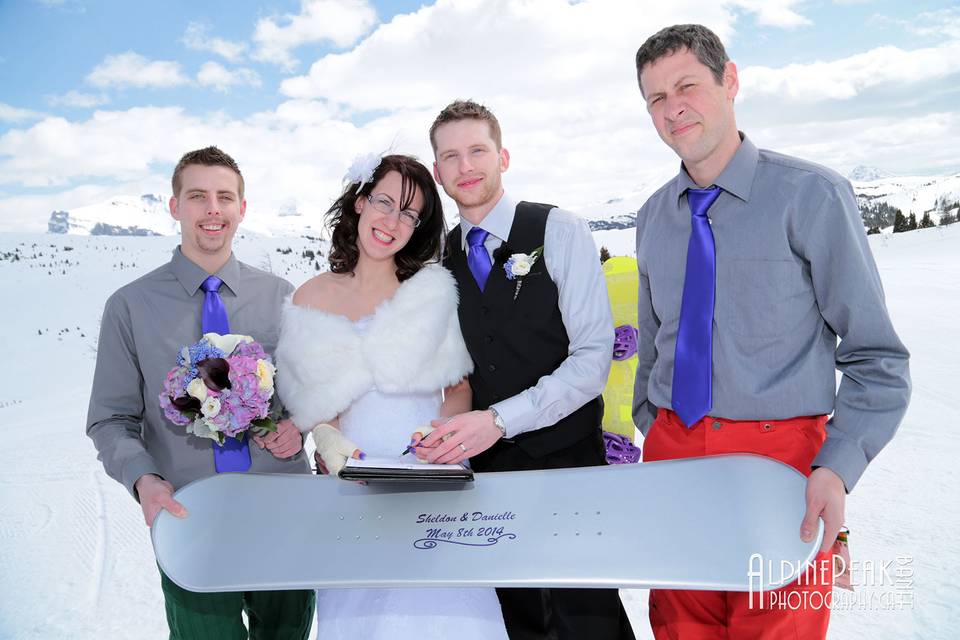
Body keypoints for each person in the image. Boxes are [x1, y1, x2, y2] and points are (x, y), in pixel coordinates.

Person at [632, 24, 911, 639]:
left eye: (687, 86)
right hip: (675, 460)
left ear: (730, 81)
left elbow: (878, 359)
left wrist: (835, 468)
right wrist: (656, 428)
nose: (672, 107)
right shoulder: (653, 217)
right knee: (679, 627)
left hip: (781, 462)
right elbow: (654, 342)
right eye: (655, 97)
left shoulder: (812, 196)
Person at [416, 100, 636, 640]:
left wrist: (497, 420)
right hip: (488, 478)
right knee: (519, 620)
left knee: (589, 617)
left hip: (569, 462)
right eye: (450, 156)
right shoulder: (436, 261)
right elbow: (452, 370)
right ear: (439, 172)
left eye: (477, 150)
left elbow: (591, 357)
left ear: (503, 156)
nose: (465, 166)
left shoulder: (558, 229)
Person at [274, 153, 509, 639]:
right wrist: (329, 440)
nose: (393, 221)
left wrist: (440, 434)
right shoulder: (309, 298)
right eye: (385, 202)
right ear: (360, 203)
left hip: (433, 476)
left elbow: (457, 387)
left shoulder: (431, 292)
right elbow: (314, 403)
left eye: (409, 213)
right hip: (352, 486)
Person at [86, 146, 315, 638]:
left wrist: (298, 426)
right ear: (175, 206)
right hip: (191, 513)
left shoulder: (282, 297)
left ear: (241, 209)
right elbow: (110, 418)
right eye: (197, 196)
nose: (213, 209)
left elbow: (309, 396)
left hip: (282, 507)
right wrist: (143, 479)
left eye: (225, 197)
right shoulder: (130, 306)